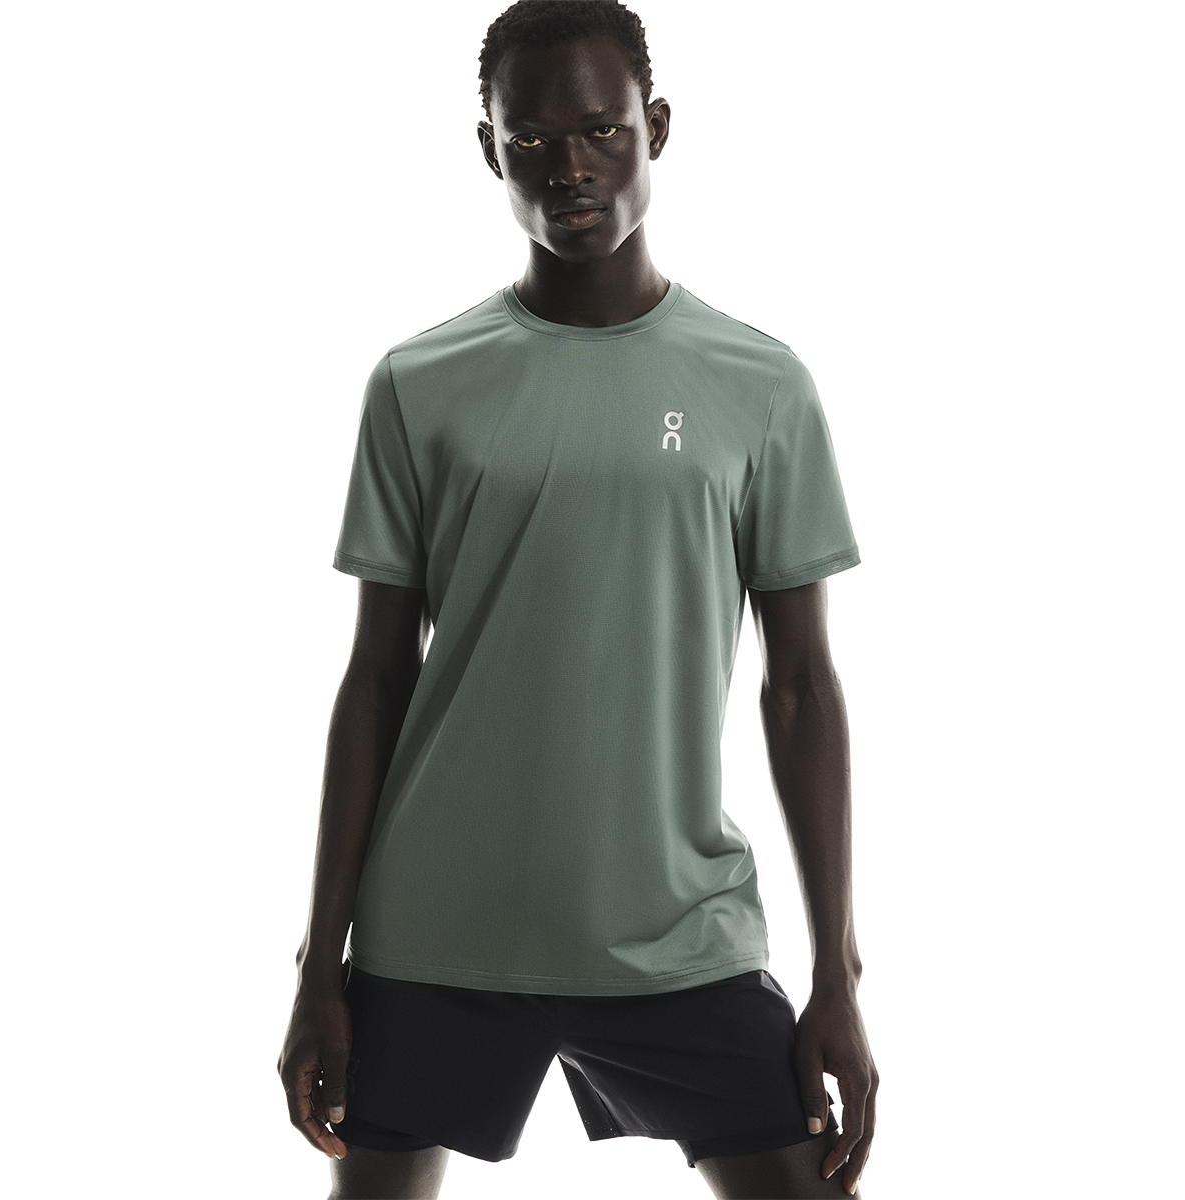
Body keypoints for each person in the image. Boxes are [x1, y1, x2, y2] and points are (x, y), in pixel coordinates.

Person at [278, 1, 879, 1196]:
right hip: (438, 936)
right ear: (490, 149)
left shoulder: (760, 387)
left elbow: (803, 690)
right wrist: (317, 967)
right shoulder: (417, 385)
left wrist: (837, 977)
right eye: (533, 140)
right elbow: (376, 679)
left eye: (602, 131)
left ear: (656, 128)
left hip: (677, 934)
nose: (570, 168)